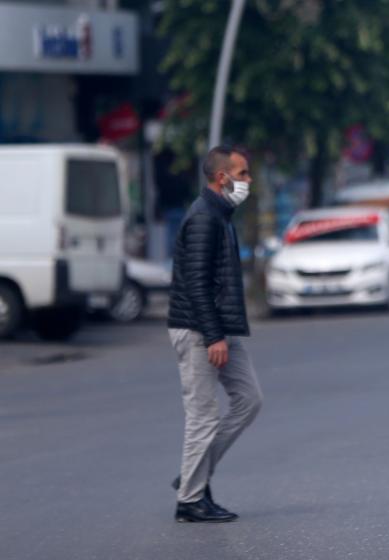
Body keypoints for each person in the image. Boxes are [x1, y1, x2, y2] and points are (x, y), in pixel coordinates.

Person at [167, 146, 263, 523]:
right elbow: (196, 283)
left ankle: (194, 475)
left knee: (249, 399)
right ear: (222, 178)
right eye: (243, 174)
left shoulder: (221, 214)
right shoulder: (205, 217)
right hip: (198, 330)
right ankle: (190, 501)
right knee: (203, 416)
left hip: (217, 327)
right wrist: (213, 336)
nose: (248, 181)